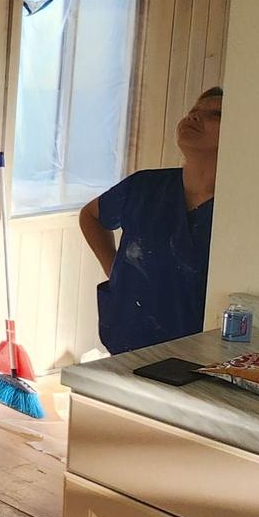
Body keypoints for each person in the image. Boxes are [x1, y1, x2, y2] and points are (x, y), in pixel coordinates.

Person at [77, 87, 222, 354]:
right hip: (128, 338)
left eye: (214, 114)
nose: (193, 118)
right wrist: (114, 270)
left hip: (196, 350)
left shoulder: (237, 209)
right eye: (193, 112)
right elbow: (91, 216)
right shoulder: (144, 187)